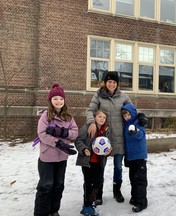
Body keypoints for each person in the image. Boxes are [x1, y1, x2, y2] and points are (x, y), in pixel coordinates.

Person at [86, 71, 132, 203]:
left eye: (114, 82)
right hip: (102, 139)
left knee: (118, 167)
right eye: (109, 81)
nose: (111, 84)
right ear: (105, 83)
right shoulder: (98, 96)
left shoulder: (123, 97)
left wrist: (139, 118)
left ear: (117, 83)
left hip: (119, 138)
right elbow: (90, 110)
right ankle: (98, 193)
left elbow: (132, 111)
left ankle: (117, 191)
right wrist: (91, 122)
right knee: (100, 167)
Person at [34, 84, 78, 216]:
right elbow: (42, 134)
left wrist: (64, 132)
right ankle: (41, 212)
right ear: (50, 101)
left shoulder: (68, 117)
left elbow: (74, 132)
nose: (58, 101)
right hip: (47, 157)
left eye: (60, 98)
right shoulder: (46, 116)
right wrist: (58, 143)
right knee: (46, 186)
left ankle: (54, 210)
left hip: (61, 157)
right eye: (55, 99)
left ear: (64, 100)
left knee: (58, 185)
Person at [75, 108, 112, 216]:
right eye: (99, 116)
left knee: (98, 183)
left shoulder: (106, 130)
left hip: (99, 162)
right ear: (95, 117)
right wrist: (83, 149)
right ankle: (86, 206)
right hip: (88, 161)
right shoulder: (88, 127)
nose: (102, 119)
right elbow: (78, 140)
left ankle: (91, 201)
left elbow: (108, 145)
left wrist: (108, 152)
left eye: (104, 117)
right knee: (88, 183)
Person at [121, 103, 148, 213]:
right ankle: (135, 197)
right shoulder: (126, 124)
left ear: (132, 113)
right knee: (133, 178)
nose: (127, 117)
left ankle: (141, 202)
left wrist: (135, 132)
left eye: (128, 114)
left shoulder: (138, 122)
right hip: (131, 156)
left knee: (140, 179)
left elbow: (141, 134)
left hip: (139, 156)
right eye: (125, 115)